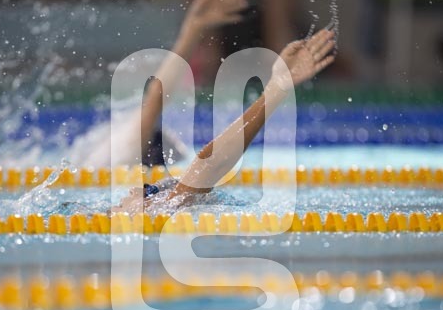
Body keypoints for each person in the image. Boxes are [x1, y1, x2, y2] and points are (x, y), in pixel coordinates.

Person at [112, 27, 336, 215]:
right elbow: (208, 165)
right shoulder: (152, 211)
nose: (133, 190)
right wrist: (276, 88)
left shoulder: (153, 211)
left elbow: (207, 167)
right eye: (148, 189)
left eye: (148, 190)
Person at [74, 0, 250, 167]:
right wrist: (193, 27)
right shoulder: (123, 154)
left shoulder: (114, 151)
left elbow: (155, 99)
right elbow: (156, 96)